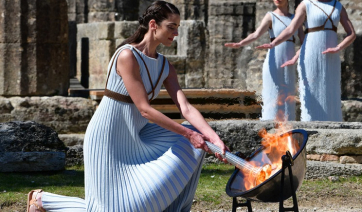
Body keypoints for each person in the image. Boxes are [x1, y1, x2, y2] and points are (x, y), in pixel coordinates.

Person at [26, 1, 228, 212]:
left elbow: (185, 108)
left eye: (177, 27)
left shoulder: (166, 66)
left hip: (137, 136)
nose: (176, 33)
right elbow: (144, 109)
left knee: (198, 139)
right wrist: (189, 134)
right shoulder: (127, 56)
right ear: (153, 25)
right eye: (171, 26)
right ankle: (42, 201)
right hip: (108, 137)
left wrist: (214, 138)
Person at [256, 0, 356, 121]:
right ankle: (311, 128)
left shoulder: (338, 5)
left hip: (331, 56)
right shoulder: (306, 4)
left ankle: (332, 126)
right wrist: (273, 43)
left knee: (331, 92)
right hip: (310, 53)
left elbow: (351, 34)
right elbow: (291, 29)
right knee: (311, 91)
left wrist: (339, 47)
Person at [225, 0, 304, 121]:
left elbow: (304, 42)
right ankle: (269, 126)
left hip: (289, 62)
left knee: (288, 97)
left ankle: (288, 129)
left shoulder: (295, 18)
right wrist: (241, 43)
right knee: (272, 94)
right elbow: (256, 34)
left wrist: (296, 57)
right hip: (274, 60)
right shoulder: (270, 16)